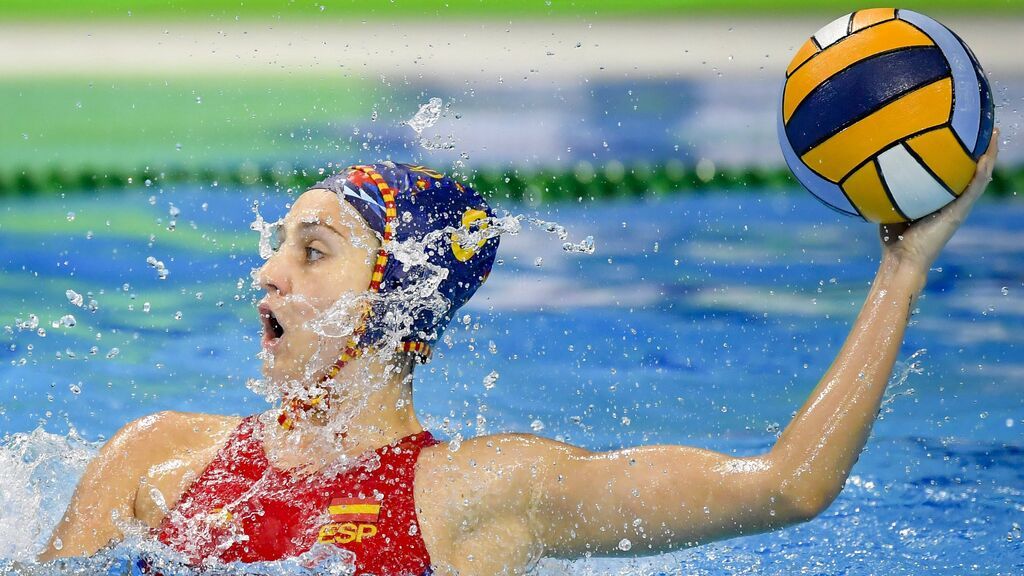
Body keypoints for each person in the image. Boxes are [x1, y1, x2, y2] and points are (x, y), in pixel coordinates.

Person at [39, 136, 999, 575]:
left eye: (312, 251)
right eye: (278, 242)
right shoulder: (151, 460)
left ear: (397, 305)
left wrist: (902, 272)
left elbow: (788, 488)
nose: (267, 273)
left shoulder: (482, 494)